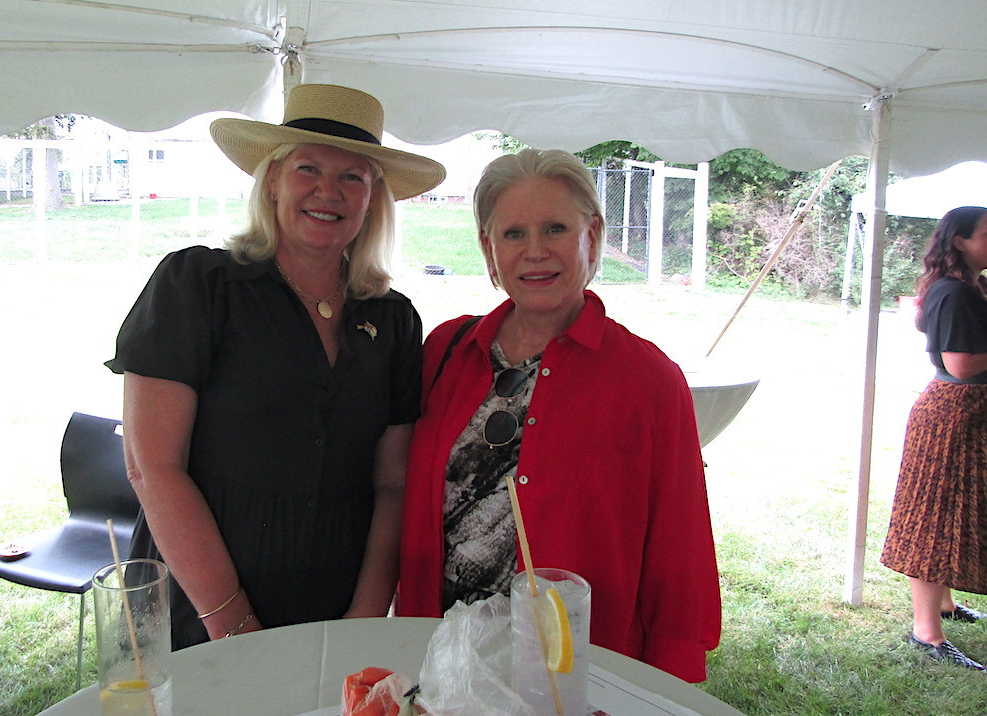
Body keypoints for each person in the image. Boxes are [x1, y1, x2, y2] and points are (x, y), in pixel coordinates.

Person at [106, 84, 446, 648]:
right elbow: (151, 466)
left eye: (352, 177)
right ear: (272, 180)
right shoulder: (199, 286)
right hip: (198, 616)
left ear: (372, 199)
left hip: (334, 616)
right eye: (307, 167)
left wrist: (363, 619)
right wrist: (232, 624)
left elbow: (392, 483)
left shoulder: (394, 320)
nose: (327, 191)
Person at [396, 148, 721, 683]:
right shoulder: (445, 350)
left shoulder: (649, 381)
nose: (536, 252)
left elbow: (680, 548)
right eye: (514, 234)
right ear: (488, 246)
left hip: (571, 672)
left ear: (591, 234)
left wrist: (670, 681)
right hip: (441, 659)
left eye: (555, 229)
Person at [880, 205, 987, 671]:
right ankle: (927, 633)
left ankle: (943, 605)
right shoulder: (954, 293)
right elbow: (961, 363)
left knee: (954, 509)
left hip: (964, 413)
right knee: (934, 519)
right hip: (952, 414)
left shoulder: (970, 288)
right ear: (960, 241)